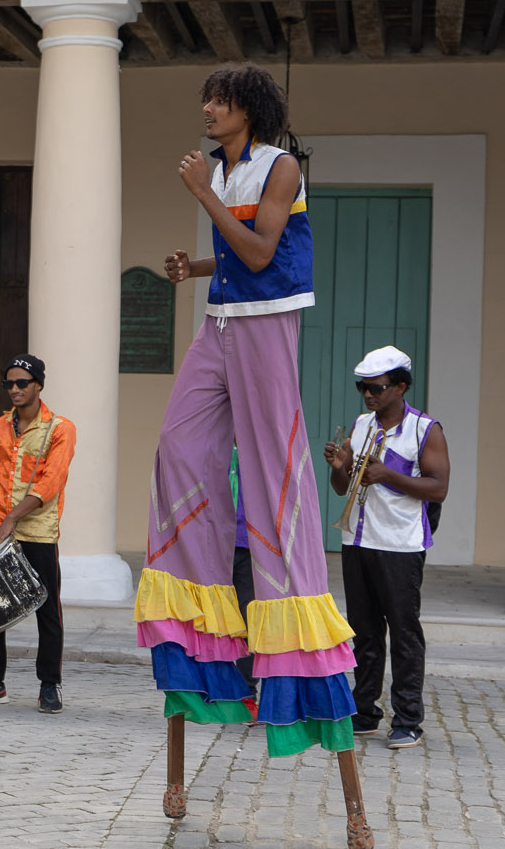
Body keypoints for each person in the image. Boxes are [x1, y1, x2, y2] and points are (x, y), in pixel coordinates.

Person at [139, 64, 359, 758]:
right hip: (222, 319)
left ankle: (291, 625)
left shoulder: (280, 166)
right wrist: (196, 270)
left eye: (221, 101)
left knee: (274, 469)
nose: (208, 109)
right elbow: (237, 257)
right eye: (207, 99)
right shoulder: (220, 168)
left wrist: (202, 196)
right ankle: (201, 601)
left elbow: (263, 252)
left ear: (249, 111)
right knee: (178, 447)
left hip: (267, 324)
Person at [325, 345, 449, 750]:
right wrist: (340, 467)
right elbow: (343, 488)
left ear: (399, 386)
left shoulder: (424, 429)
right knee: (363, 631)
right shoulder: (361, 425)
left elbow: (439, 488)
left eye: (376, 387)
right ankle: (364, 713)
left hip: (399, 544)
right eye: (362, 387)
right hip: (357, 538)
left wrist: (389, 475)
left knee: (404, 632)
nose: (368, 395)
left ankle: (408, 720)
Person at [0, 357, 74, 713]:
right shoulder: (0, 426)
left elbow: (50, 483)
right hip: (0, 530)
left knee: (47, 610)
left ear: (38, 384)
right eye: (9, 384)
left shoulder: (60, 428)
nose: (15, 390)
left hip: (37, 532)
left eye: (22, 382)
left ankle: (49, 686)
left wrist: (11, 519)